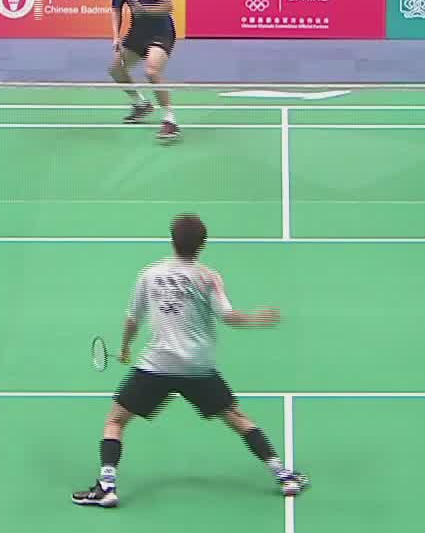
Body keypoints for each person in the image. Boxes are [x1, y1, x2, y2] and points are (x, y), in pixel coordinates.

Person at [73, 214, 307, 508]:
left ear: (172, 241)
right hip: (198, 367)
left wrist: (125, 348)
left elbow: (133, 319)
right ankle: (283, 476)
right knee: (238, 419)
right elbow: (228, 317)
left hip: (157, 366)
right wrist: (257, 319)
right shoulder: (208, 277)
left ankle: (107, 486)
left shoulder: (149, 275)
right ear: (202, 245)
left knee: (116, 421)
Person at [107, 0, 180, 143]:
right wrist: (116, 37)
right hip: (138, 32)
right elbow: (116, 8)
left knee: (152, 71)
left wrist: (145, 10)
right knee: (116, 70)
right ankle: (141, 104)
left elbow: (169, 6)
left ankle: (170, 119)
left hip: (161, 31)